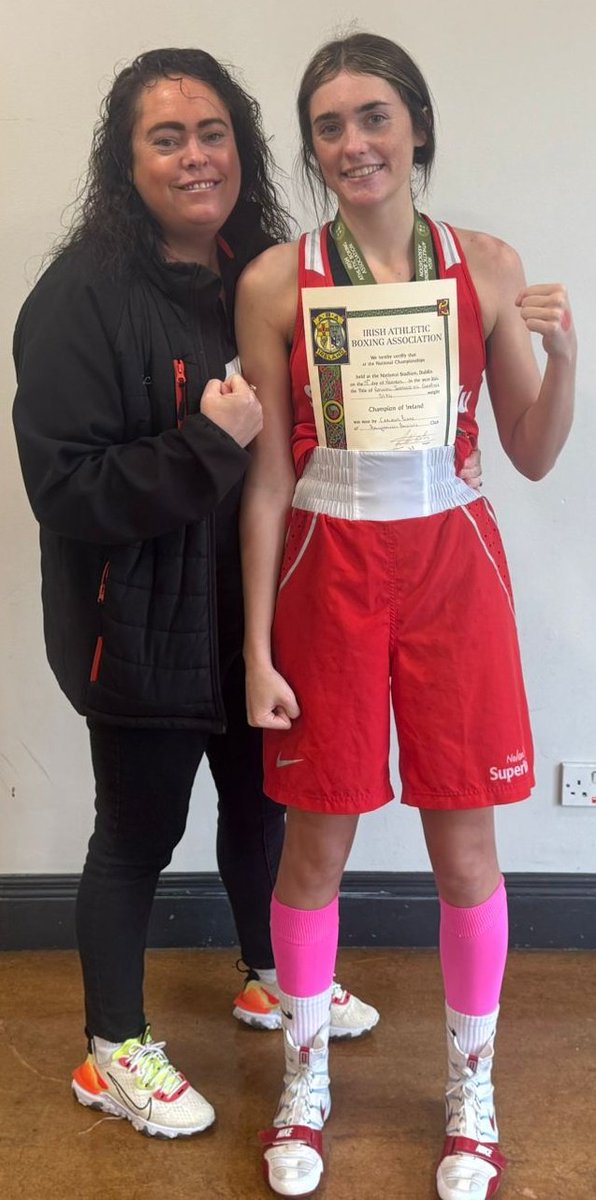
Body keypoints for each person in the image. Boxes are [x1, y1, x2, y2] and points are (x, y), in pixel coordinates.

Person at [11, 47, 385, 1143]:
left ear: (243, 147)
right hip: (131, 626)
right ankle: (109, 1050)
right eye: (165, 137)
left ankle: (266, 972)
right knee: (135, 834)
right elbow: (63, 487)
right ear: (124, 160)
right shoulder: (78, 296)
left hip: (257, 611)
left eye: (211, 132)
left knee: (263, 806)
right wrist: (200, 446)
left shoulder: (264, 271)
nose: (194, 156)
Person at [236, 31, 576, 1200]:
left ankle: (469, 1094)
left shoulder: (481, 263)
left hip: (450, 563)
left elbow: (527, 453)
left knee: (464, 844)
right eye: (327, 125)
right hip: (328, 566)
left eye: (371, 116)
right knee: (314, 842)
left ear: (414, 127)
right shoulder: (278, 281)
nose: (351, 144)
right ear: (312, 145)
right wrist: (251, 645)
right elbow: (269, 475)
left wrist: (561, 355)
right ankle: (304, 1077)